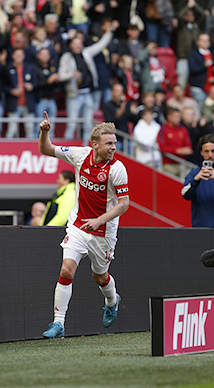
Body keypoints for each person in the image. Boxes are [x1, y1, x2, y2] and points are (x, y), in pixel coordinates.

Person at [38, 112, 129, 338]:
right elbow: (46, 149)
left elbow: (124, 204)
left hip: (103, 232)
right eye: (109, 143)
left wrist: (99, 220)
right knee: (66, 270)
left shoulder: (117, 169)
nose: (113, 148)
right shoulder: (80, 155)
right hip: (78, 226)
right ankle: (58, 322)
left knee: (100, 277)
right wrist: (44, 132)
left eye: (114, 143)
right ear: (94, 144)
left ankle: (112, 301)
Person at [158, 108, 193, 176]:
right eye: (176, 117)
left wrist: (182, 150)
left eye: (179, 117)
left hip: (182, 163)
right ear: (169, 117)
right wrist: (177, 151)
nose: (178, 119)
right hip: (168, 164)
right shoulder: (163, 129)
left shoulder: (183, 129)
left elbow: (188, 147)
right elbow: (162, 147)